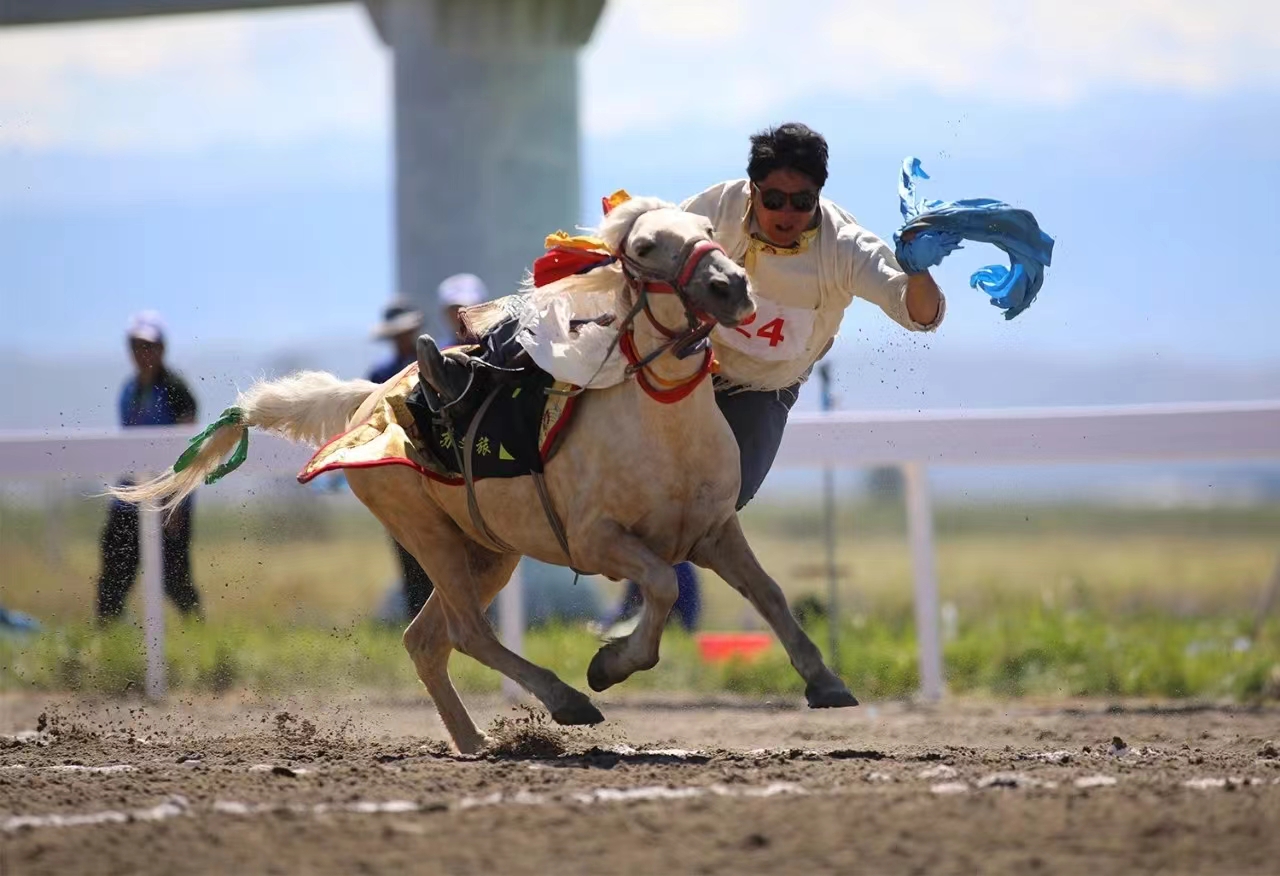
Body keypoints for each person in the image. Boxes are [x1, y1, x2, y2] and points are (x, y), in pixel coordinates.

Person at [97, 311, 202, 623]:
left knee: (174, 575)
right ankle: (106, 638)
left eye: (149, 346)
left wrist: (176, 501)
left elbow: (189, 450)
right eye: (136, 346)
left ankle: (199, 634)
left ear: (162, 348)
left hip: (169, 498)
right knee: (114, 572)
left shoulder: (176, 389)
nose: (143, 353)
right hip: (130, 495)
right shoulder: (128, 390)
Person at [369, 300, 437, 618]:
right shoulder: (380, 374)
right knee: (408, 555)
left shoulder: (433, 363)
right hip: (399, 471)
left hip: (436, 465)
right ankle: (419, 618)